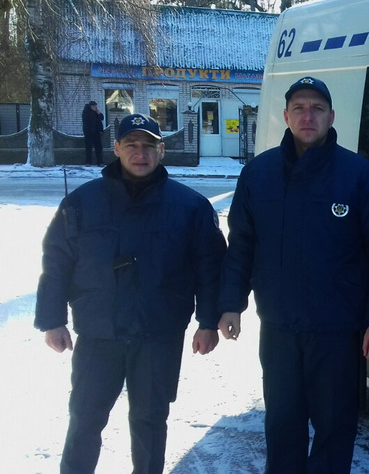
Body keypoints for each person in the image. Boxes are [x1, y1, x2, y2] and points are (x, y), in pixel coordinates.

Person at [217, 76, 369, 473]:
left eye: (317, 109)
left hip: (337, 333)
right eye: (300, 108)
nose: (308, 116)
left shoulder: (362, 177)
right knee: (282, 426)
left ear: (331, 117)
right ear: (286, 116)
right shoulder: (258, 174)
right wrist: (231, 303)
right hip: (279, 330)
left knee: (334, 429)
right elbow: (242, 245)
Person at [35, 113, 227, 474]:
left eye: (149, 146)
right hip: (99, 333)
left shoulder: (190, 207)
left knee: (150, 421)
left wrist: (208, 322)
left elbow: (209, 268)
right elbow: (57, 262)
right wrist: (52, 319)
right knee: (85, 419)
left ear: (162, 150)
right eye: (132, 145)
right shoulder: (81, 203)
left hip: (158, 334)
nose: (141, 153)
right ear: (117, 148)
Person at [82, 100, 105, 166]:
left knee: (98, 147)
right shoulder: (86, 112)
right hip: (89, 132)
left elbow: (102, 118)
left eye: (95, 106)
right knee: (88, 147)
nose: (95, 107)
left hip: (96, 132)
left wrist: (98, 113)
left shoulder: (96, 112)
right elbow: (88, 120)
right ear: (90, 106)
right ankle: (88, 162)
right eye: (93, 106)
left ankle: (100, 162)